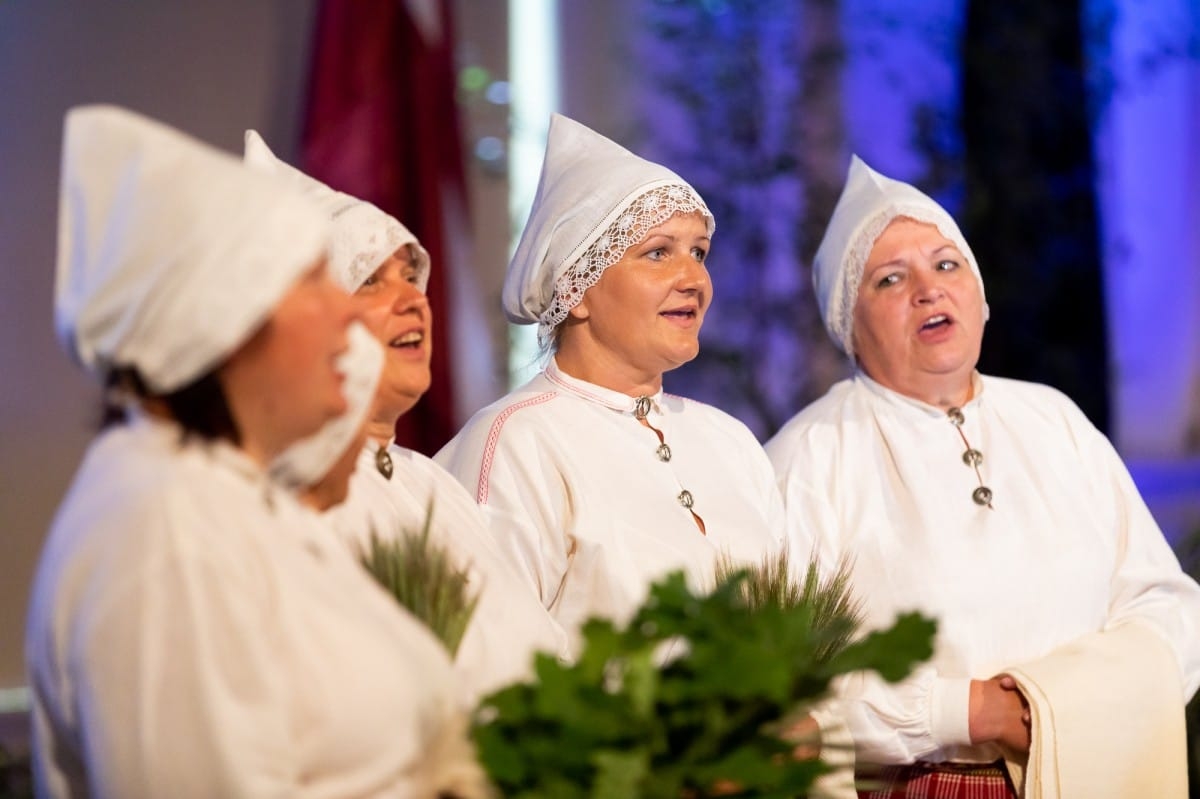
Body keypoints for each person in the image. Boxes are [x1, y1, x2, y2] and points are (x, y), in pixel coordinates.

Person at [26, 106, 486, 798]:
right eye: (311, 283)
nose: (343, 314)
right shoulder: (162, 533)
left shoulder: (235, 499)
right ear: (220, 324)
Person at [765, 155, 1200, 797]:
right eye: (890, 279)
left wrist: (1061, 705)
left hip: (1100, 770)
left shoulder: (1054, 419)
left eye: (946, 264)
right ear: (847, 325)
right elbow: (785, 685)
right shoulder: (809, 459)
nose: (928, 289)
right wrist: (964, 711)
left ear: (979, 293)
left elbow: (1169, 606)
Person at [434, 114, 798, 648]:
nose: (694, 279)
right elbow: (490, 658)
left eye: (698, 252)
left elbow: (796, 633)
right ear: (576, 287)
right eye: (658, 252)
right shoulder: (517, 441)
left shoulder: (730, 440)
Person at [244, 131, 569, 701]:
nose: (413, 298)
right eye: (370, 278)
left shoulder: (432, 482)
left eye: (410, 276)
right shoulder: (278, 493)